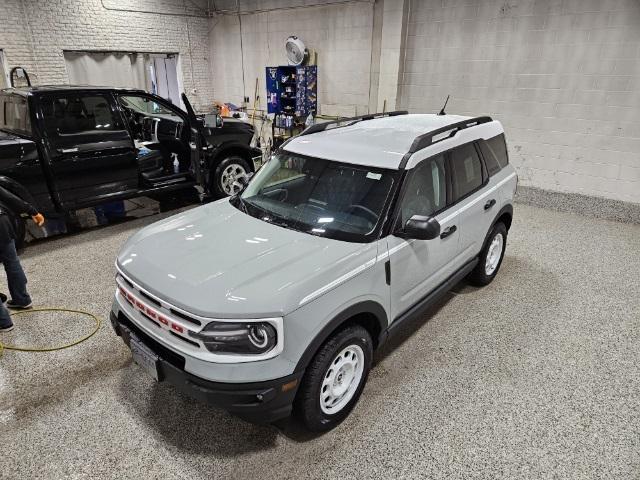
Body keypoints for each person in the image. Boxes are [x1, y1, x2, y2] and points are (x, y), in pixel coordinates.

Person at [0, 187, 45, 332]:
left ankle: (4, 322)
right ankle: (22, 299)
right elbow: (9, 197)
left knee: (12, 263)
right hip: (2, 223)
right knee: (12, 263)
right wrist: (33, 211)